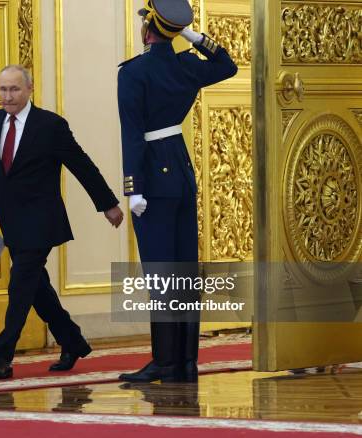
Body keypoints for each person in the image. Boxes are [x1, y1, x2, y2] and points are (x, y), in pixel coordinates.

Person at [0, 65, 124, 379]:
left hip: (41, 221)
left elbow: (81, 165)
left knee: (20, 285)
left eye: (14, 89)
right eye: (2, 90)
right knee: (36, 288)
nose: (8, 96)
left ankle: (2, 355)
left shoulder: (50, 125)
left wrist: (108, 204)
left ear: (30, 89)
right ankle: (72, 341)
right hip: (12, 222)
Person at [117, 0, 237, 383]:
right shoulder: (185, 64)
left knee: (161, 274)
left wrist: (132, 188)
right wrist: (194, 36)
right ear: (171, 31)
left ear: (147, 28)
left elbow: (132, 135)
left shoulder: (133, 72)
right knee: (184, 270)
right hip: (181, 172)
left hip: (152, 176)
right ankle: (186, 361)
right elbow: (227, 65)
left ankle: (165, 362)